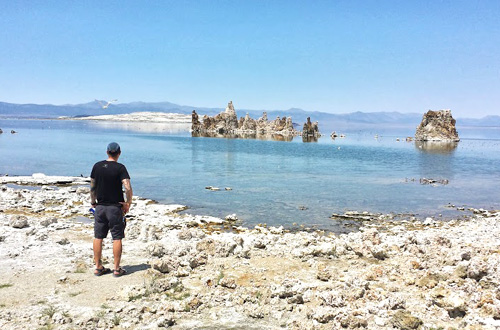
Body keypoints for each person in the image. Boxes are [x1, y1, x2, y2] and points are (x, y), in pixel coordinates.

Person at [90, 142, 132, 277]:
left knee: (98, 236)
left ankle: (98, 267)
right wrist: (128, 203)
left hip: (100, 207)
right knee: (117, 237)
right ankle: (116, 268)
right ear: (119, 153)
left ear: (107, 152)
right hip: (114, 207)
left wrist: (93, 201)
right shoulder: (120, 168)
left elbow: (92, 186)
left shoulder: (97, 166)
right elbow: (127, 186)